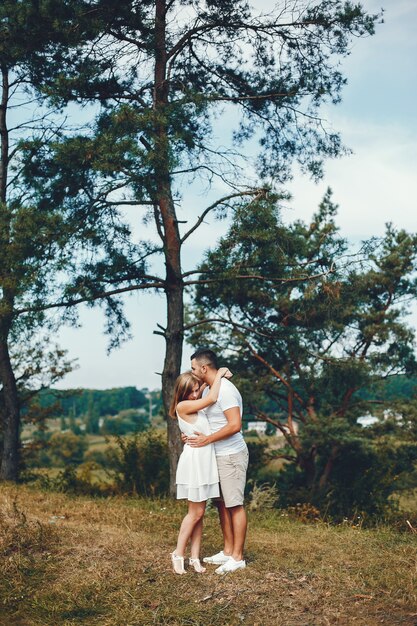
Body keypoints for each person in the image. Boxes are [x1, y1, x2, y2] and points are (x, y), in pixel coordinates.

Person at [187, 348, 249, 575]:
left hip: (231, 455)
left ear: (204, 368)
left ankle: (238, 558)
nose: (191, 372)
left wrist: (207, 440)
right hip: (216, 455)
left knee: (234, 504)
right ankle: (228, 550)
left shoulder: (226, 391)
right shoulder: (209, 390)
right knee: (222, 504)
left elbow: (235, 425)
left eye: (194, 368)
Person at [169, 366, 232, 575]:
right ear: (182, 393)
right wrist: (220, 373)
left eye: (197, 390)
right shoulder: (184, 405)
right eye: (192, 391)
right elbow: (212, 397)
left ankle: (195, 557)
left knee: (200, 513)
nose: (196, 394)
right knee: (194, 513)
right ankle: (178, 553)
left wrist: (204, 381)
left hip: (204, 460)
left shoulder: (194, 403)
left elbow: (205, 388)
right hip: (196, 462)